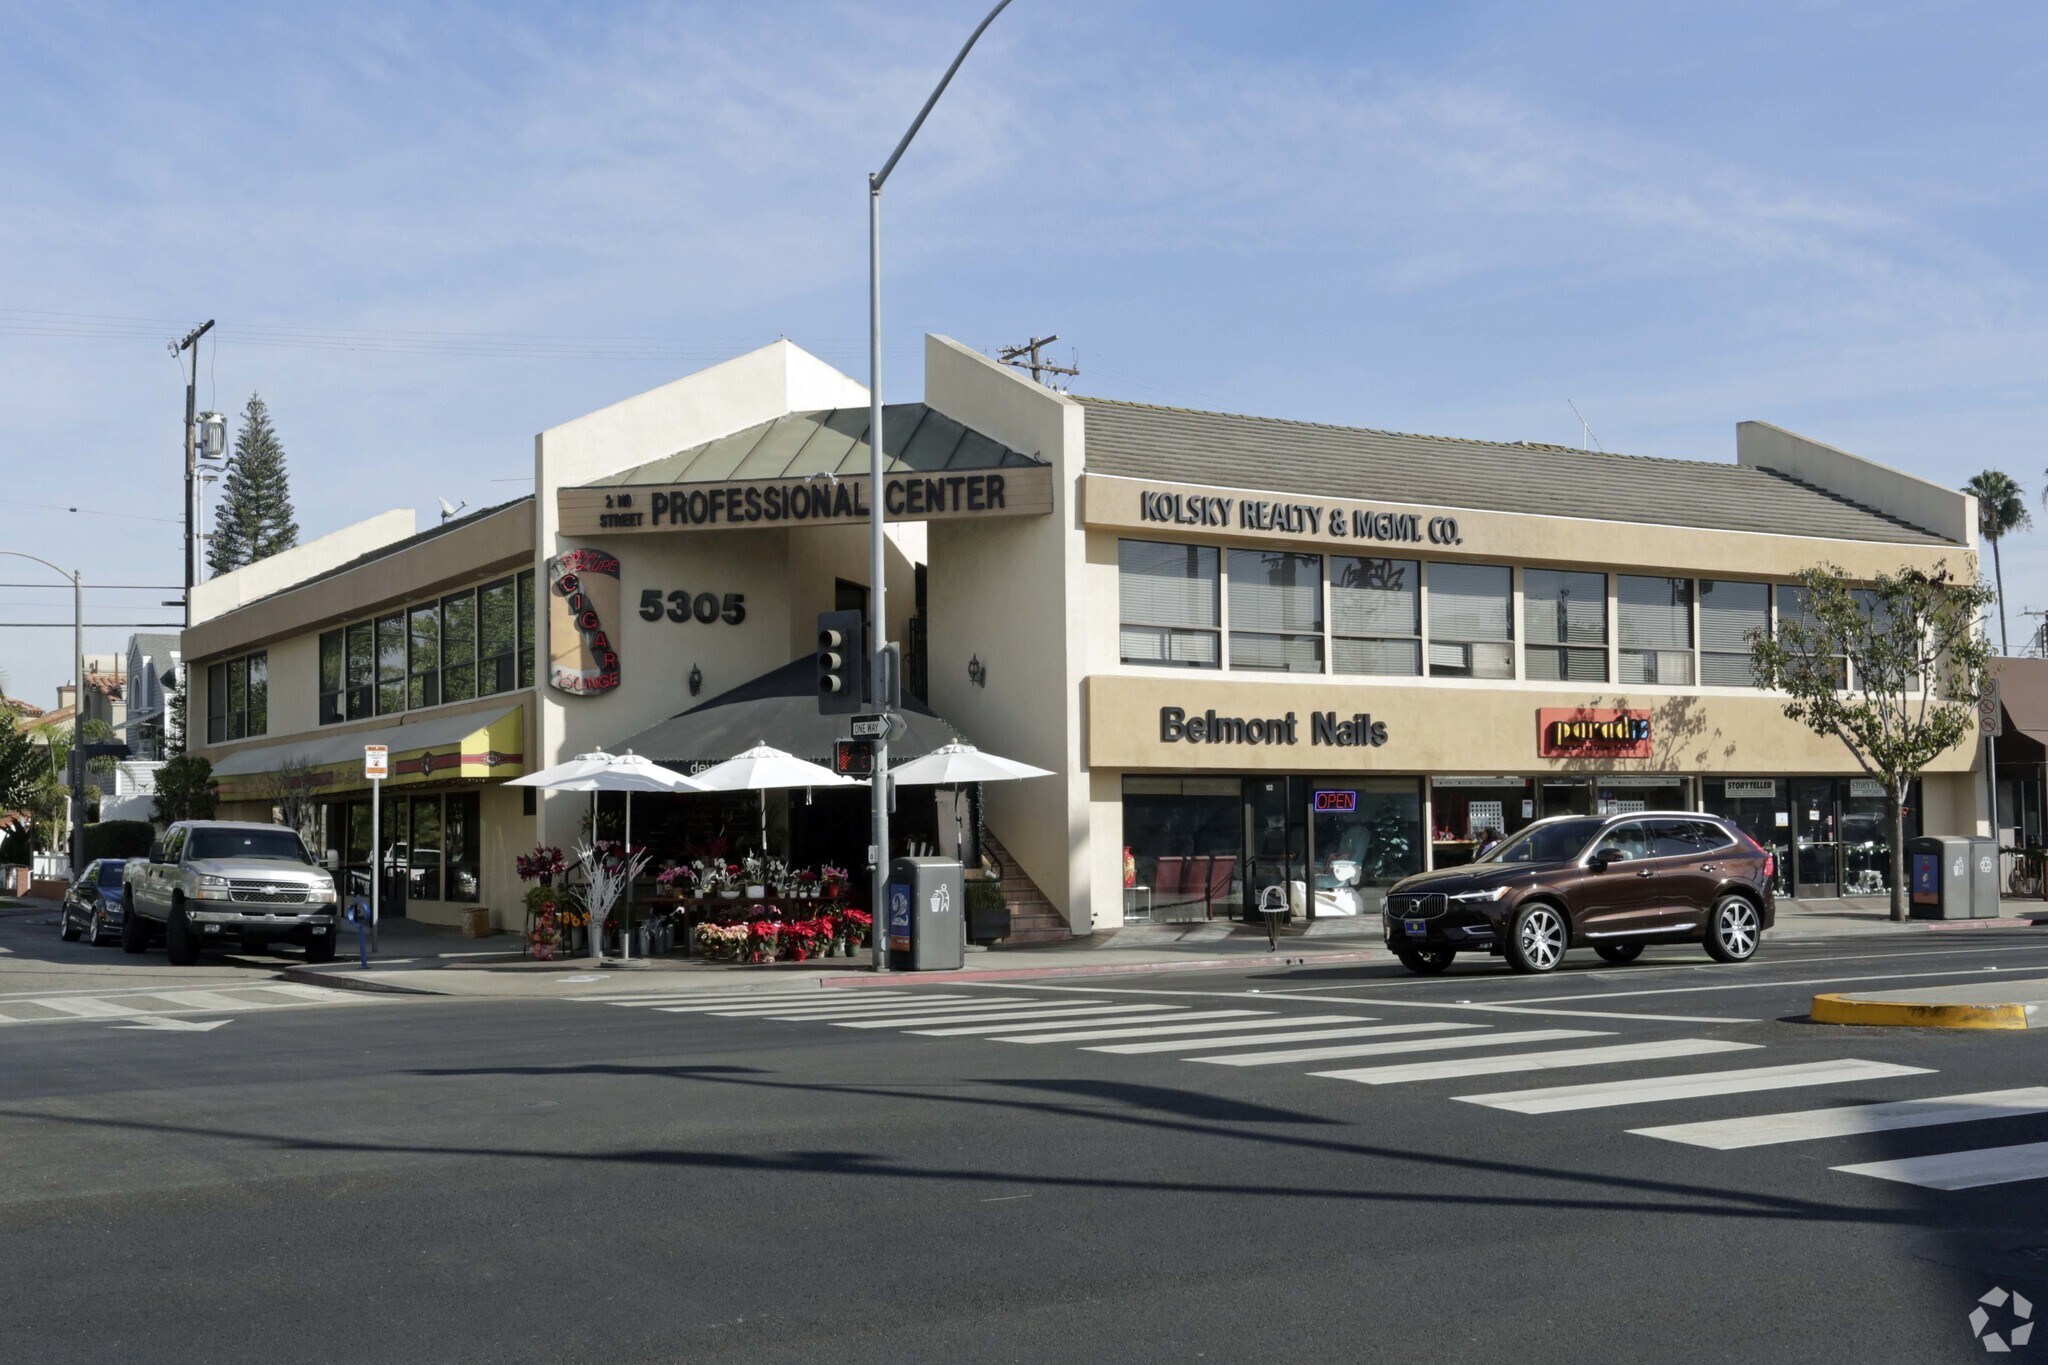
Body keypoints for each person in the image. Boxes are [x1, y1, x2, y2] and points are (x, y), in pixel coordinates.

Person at [343, 883, 373, 968]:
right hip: (358, 922)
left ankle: (364, 964)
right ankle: (364, 964)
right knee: (360, 931)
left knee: (361, 930)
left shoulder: (361, 906)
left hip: (359, 922)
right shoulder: (356, 907)